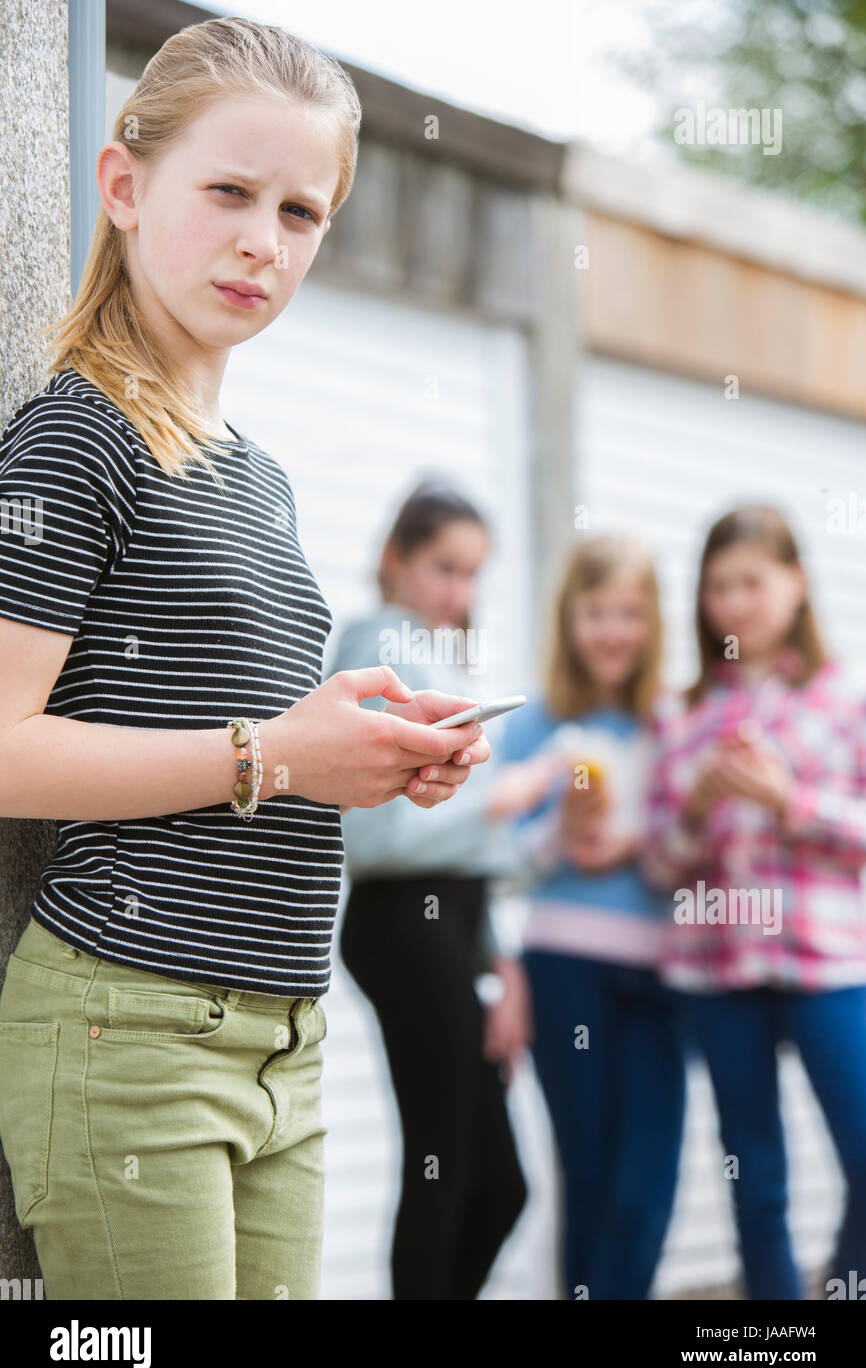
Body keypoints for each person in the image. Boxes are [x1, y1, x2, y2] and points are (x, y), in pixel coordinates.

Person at [0, 17, 490, 1302]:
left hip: (283, 1035)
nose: (261, 242)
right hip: (130, 1025)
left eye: (300, 210)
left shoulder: (256, 477)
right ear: (122, 187)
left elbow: (233, 748)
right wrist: (275, 751)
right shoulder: (78, 437)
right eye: (226, 192)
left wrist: (358, 755)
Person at [645, 504, 866, 1300]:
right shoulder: (682, 713)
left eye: (753, 582)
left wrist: (790, 801)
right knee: (755, 1174)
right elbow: (662, 864)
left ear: (798, 583)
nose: (735, 603)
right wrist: (700, 807)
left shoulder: (848, 698)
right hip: (719, 969)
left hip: (828, 961)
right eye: (719, 587)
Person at [327, 479, 528, 1300]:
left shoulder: (439, 655)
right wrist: (505, 803)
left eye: (474, 573)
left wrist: (500, 961)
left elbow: (472, 847)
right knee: (444, 1172)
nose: (460, 592)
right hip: (402, 925)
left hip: (452, 930)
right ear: (394, 558)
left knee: (501, 1187)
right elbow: (373, 835)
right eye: (445, 567)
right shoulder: (375, 649)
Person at [495, 534, 688, 1300]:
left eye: (630, 613)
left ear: (653, 623)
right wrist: (564, 831)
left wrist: (641, 840)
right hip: (563, 967)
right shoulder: (536, 724)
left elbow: (691, 851)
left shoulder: (672, 723)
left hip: (661, 975)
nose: (613, 631)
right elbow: (502, 862)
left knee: (646, 1185)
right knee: (589, 1175)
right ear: (568, 618)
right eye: (596, 611)